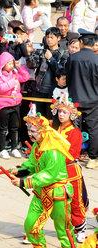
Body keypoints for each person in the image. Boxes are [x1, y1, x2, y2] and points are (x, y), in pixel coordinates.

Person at [9, 105, 76, 248]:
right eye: (30, 130)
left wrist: (25, 183)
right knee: (30, 225)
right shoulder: (38, 147)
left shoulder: (53, 151)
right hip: (41, 194)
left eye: (34, 131)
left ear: (44, 132)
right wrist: (20, 170)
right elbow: (32, 164)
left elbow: (49, 174)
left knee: (63, 229)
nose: (31, 134)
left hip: (58, 193)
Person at [50, 95, 89, 247]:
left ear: (71, 115)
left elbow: (72, 154)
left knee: (76, 202)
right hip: (55, 170)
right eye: (59, 111)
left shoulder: (75, 133)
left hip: (70, 171)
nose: (61, 114)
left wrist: (54, 159)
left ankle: (81, 229)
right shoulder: (54, 129)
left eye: (64, 112)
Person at [66, 32, 98, 170]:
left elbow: (68, 78)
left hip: (76, 99)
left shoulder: (73, 58)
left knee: (74, 128)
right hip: (94, 99)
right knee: (93, 129)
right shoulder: (96, 60)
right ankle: (93, 158)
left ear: (82, 42)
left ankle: (74, 155)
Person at [0, 51, 30, 159]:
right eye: (9, 63)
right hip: (4, 105)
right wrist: (12, 83)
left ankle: (14, 148)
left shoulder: (14, 73)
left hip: (15, 104)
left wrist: (20, 68)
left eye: (12, 63)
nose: (11, 65)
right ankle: (2, 149)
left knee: (14, 127)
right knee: (3, 128)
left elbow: (26, 77)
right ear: (2, 64)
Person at [26, 27, 69, 117]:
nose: (49, 40)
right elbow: (31, 65)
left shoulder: (64, 54)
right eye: (47, 37)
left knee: (51, 118)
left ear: (58, 38)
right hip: (38, 89)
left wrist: (51, 59)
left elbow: (61, 72)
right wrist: (30, 53)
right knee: (37, 118)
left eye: (51, 37)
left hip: (54, 92)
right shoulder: (42, 51)